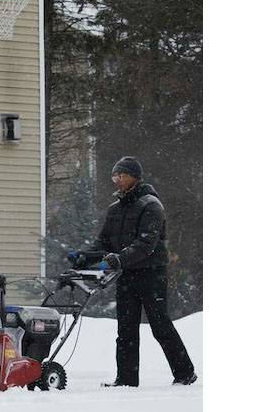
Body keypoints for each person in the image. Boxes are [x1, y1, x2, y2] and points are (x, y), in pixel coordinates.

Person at [68, 156, 197, 387]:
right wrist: (83, 257)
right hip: (127, 275)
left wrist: (118, 259)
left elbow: (146, 244)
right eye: (115, 176)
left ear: (134, 177)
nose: (117, 180)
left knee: (160, 326)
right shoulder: (115, 209)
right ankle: (126, 379)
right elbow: (103, 243)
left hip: (151, 274)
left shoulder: (151, 205)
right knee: (125, 329)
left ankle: (185, 373)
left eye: (121, 175)